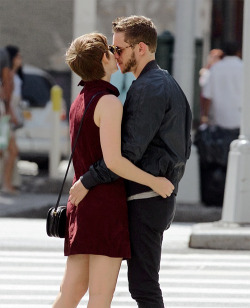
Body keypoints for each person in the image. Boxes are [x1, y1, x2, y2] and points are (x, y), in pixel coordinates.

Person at [69, 16, 192, 308]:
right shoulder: (155, 83)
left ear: (139, 48)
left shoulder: (149, 87)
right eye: (112, 49)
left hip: (147, 198)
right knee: (140, 285)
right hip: (149, 195)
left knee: (143, 285)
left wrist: (87, 180)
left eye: (119, 48)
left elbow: (128, 152)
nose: (115, 54)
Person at [196, 41, 243, 206]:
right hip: (240, 122)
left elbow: (206, 96)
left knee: (219, 162)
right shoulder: (244, 67)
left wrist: (205, 117)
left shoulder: (216, 69)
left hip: (220, 121)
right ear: (238, 52)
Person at [1, 45, 23, 194]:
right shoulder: (8, 73)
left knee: (6, 151)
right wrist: (11, 115)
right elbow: (6, 94)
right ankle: (6, 184)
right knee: (11, 150)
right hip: (4, 115)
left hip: (5, 115)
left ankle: (7, 183)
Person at [199, 48, 224, 124]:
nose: (212, 59)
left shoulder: (221, 72)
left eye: (215, 57)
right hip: (209, 107)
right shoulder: (207, 71)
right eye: (211, 57)